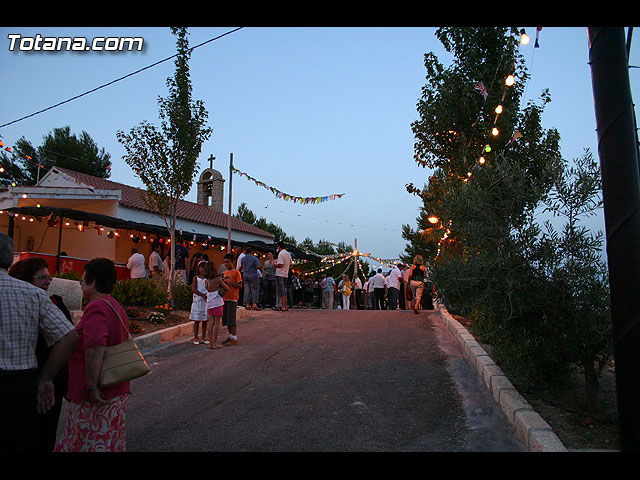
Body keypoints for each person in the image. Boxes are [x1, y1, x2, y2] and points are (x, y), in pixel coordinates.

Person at [1, 245, 77, 453]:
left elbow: (68, 337)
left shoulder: (52, 301)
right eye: (41, 277)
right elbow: (69, 336)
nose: (47, 282)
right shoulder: (32, 297)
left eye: (49, 278)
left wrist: (48, 377)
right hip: (26, 380)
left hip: (38, 379)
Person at [55, 258, 131, 452]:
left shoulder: (97, 307)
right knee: (107, 440)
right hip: (115, 386)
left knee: (85, 440)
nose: (81, 285)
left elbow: (95, 348)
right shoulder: (114, 305)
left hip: (97, 392)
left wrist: (91, 385)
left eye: (83, 280)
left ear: (93, 282)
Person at [204, 262, 228, 349]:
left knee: (210, 323)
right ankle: (215, 343)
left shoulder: (206, 281)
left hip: (209, 303)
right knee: (217, 323)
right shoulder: (218, 280)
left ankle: (210, 343)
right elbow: (227, 288)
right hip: (217, 302)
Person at [221, 254, 242, 346]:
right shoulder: (224, 273)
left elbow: (240, 285)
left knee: (231, 319)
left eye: (228, 262)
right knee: (227, 319)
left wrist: (230, 283)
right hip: (224, 298)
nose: (226, 264)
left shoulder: (236, 272)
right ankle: (230, 336)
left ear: (233, 262)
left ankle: (234, 337)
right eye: (225, 262)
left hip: (232, 298)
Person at [190, 260, 209, 345]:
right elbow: (194, 289)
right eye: (202, 267)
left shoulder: (207, 279)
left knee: (205, 320)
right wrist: (202, 295)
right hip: (198, 300)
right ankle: (195, 337)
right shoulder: (196, 278)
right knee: (197, 320)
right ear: (198, 268)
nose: (203, 269)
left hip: (205, 301)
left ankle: (204, 337)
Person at [240, 247, 261, 311]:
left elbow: (242, 266)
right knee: (254, 290)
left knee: (247, 290)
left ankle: (247, 304)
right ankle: (254, 304)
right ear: (252, 251)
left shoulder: (243, 258)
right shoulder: (254, 258)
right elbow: (258, 266)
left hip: (245, 275)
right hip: (253, 275)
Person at [274, 242, 292, 311]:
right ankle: (285, 306)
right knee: (284, 290)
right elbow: (291, 265)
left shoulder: (281, 254)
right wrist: (286, 269)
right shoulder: (288, 254)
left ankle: (283, 306)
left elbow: (280, 264)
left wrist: (275, 265)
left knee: (281, 290)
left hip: (280, 274)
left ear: (279, 246)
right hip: (285, 274)